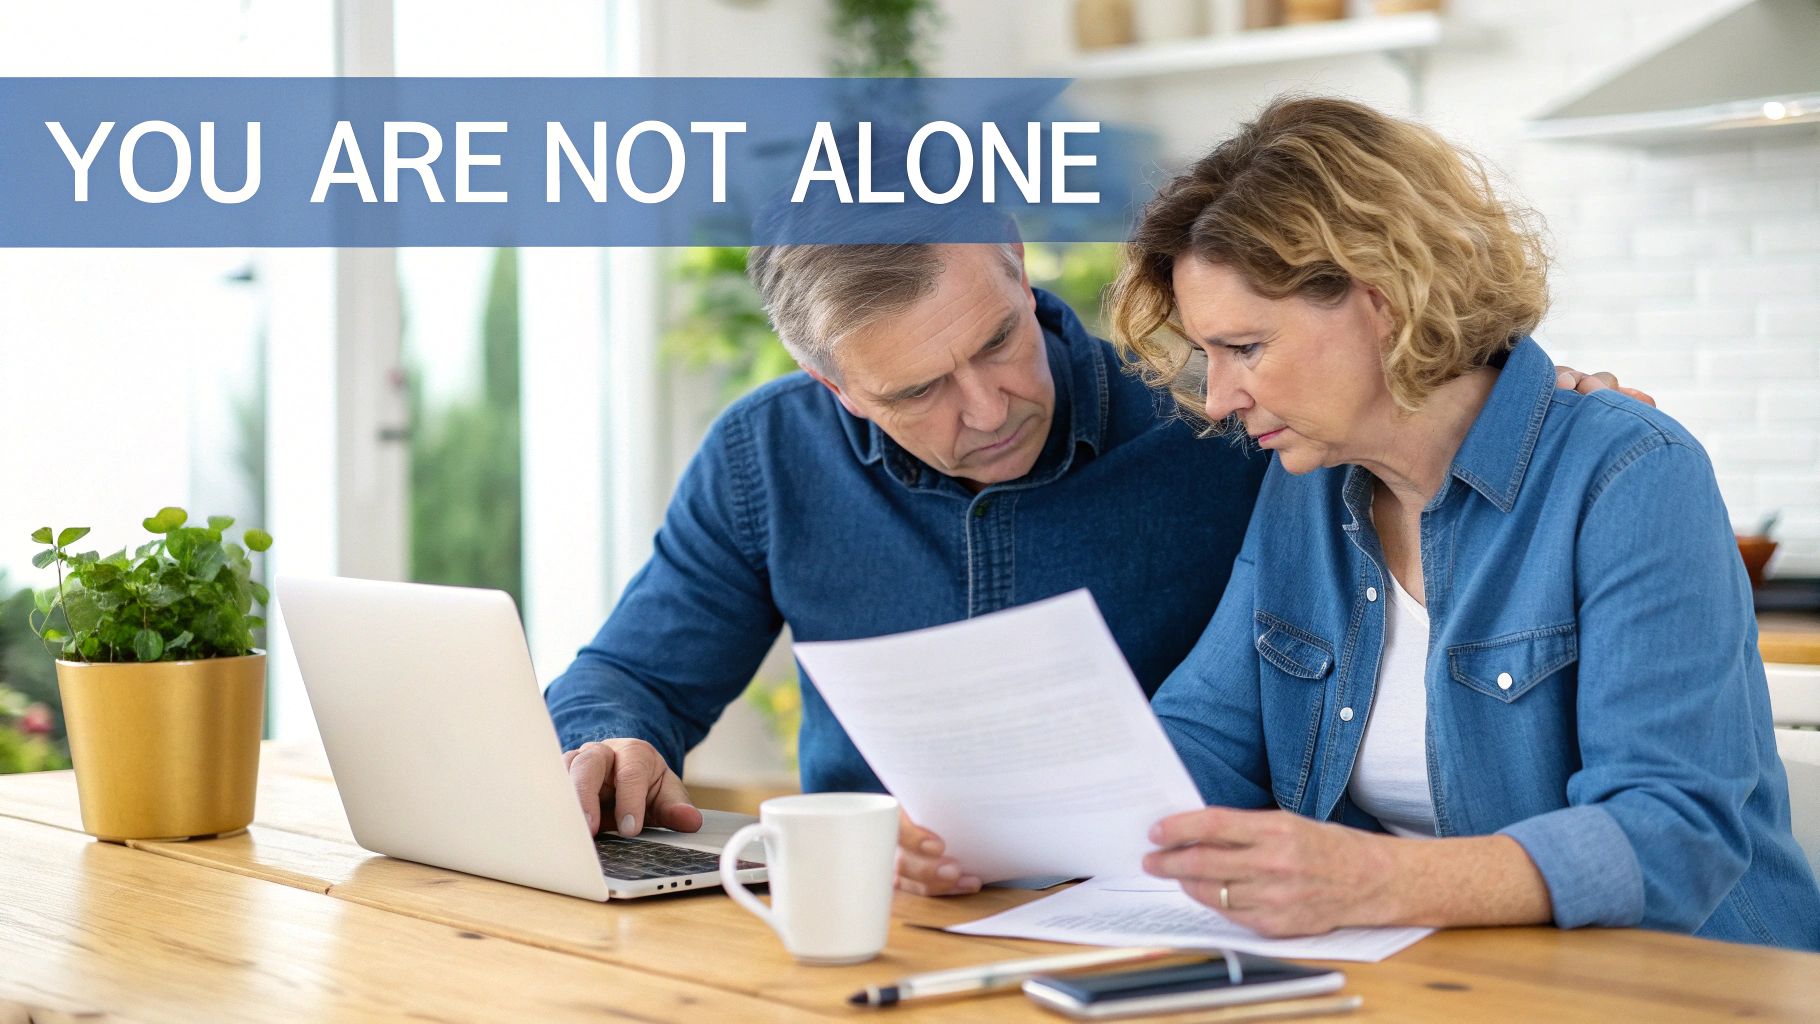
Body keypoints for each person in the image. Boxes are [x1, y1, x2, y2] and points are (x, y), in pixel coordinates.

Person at [897, 96, 1820, 948]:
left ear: (1384, 300)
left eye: (1247, 348)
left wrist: (1379, 879)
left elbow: (1674, 837)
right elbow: (1203, 742)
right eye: (1208, 355)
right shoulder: (1306, 486)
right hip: (1439, 983)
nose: (1218, 399)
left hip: (1689, 987)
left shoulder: (1628, 473)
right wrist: (997, 835)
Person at [547, 226, 1638, 885]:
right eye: (917, 391)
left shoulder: (1220, 428)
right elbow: (631, 676)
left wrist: (1529, 420)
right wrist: (607, 740)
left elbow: (1406, 466)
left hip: (1162, 923)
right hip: (891, 921)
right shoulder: (767, 451)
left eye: (995, 342)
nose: (984, 409)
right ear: (835, 387)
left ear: (1019, 270)